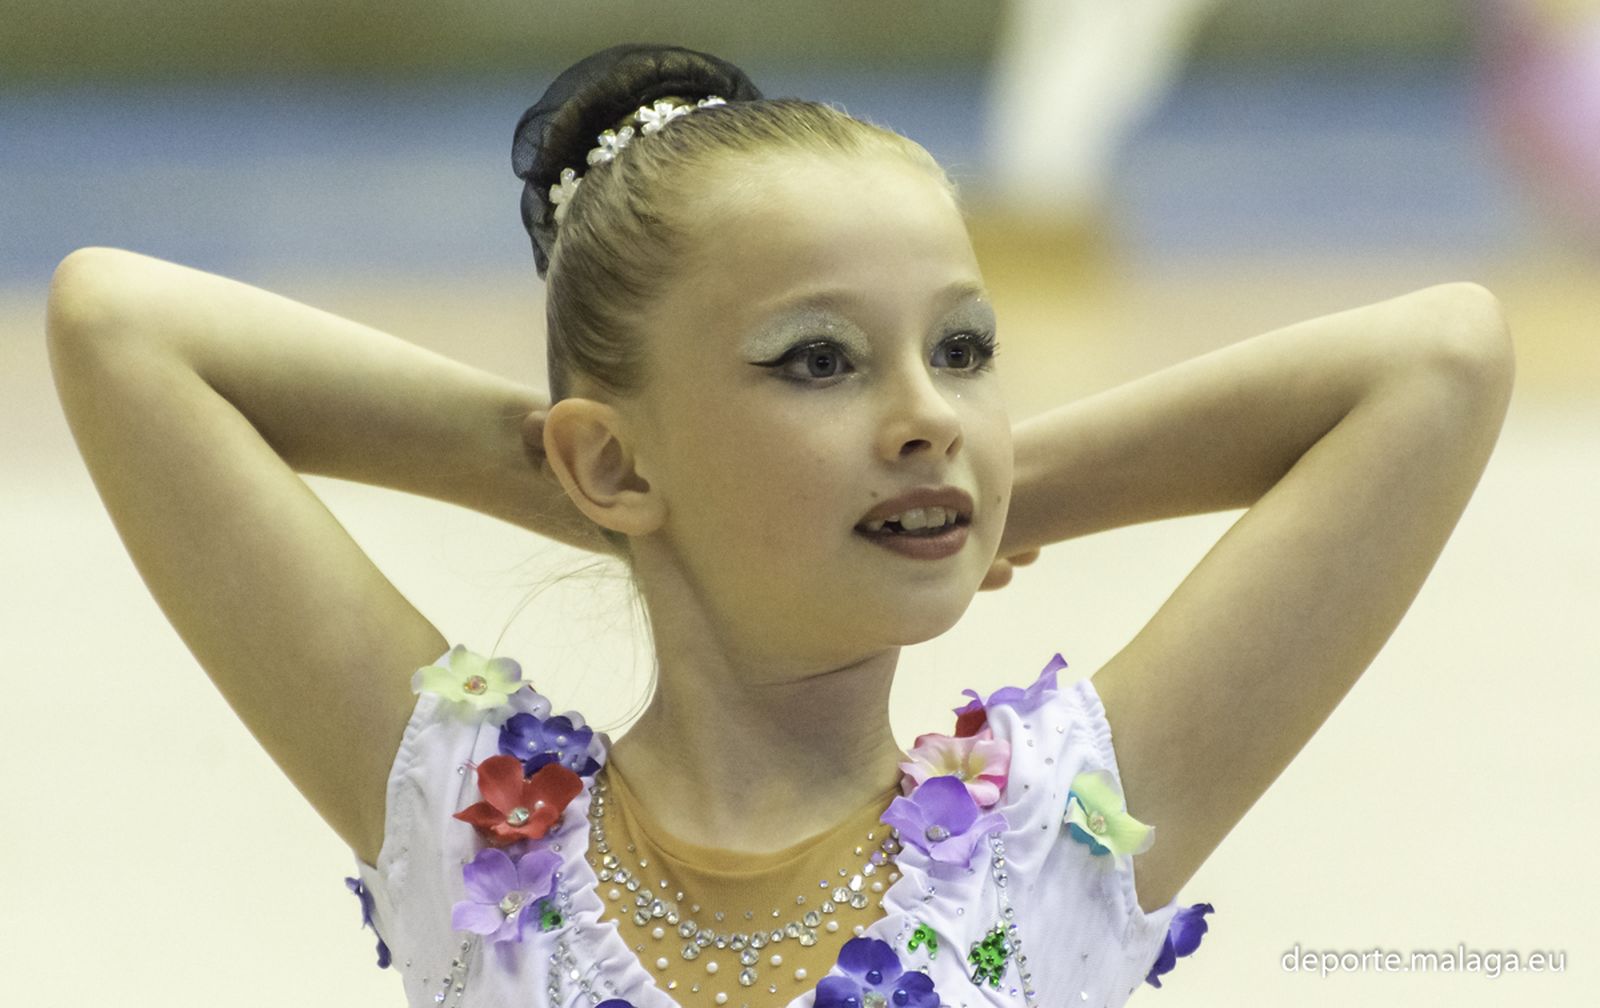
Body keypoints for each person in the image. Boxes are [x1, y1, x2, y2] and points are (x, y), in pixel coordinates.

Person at [44, 41, 1513, 1008]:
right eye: (819, 360)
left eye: (962, 351)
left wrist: (973, 488)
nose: (928, 411)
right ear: (608, 460)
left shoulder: (1053, 831)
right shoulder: (472, 819)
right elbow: (119, 327)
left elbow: (1439, 362)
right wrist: (616, 491)